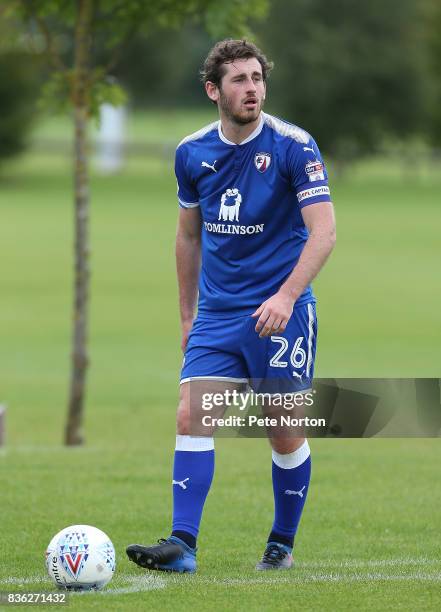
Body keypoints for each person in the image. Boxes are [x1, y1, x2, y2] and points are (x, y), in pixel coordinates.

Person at [127, 39, 336, 573]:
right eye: (239, 80)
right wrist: (186, 315)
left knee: (283, 427)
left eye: (257, 78)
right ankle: (182, 544)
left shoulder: (295, 145)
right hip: (218, 316)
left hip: (281, 314)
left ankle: (281, 542)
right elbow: (187, 238)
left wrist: (287, 297)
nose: (252, 88)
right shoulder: (191, 152)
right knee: (190, 414)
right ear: (212, 90)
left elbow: (324, 233)